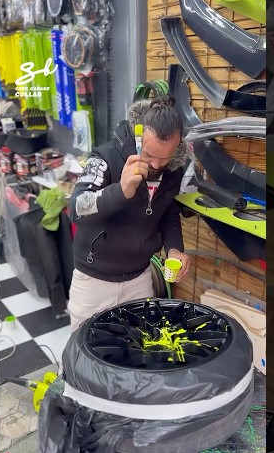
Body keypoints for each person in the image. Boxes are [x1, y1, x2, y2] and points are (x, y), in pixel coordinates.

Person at [67, 96, 191, 332]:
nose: (156, 165)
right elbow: (76, 208)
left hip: (139, 279)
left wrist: (174, 248)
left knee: (136, 345)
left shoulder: (173, 170)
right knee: (82, 348)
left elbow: (168, 212)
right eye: (149, 155)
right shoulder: (105, 158)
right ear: (138, 136)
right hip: (94, 280)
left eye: (165, 158)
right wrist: (121, 191)